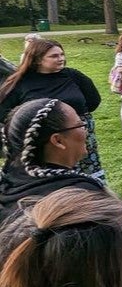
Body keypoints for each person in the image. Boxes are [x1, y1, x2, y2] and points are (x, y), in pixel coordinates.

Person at [0, 39, 105, 181]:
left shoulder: (72, 76)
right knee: (54, 176)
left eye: (62, 54)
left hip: (77, 133)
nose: (61, 58)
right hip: (45, 140)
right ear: (37, 59)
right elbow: (4, 113)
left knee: (87, 173)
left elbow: (93, 100)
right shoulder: (21, 83)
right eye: (54, 56)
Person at [0, 98, 106, 222]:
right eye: (80, 125)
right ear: (58, 141)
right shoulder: (83, 195)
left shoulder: (7, 183)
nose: (86, 130)